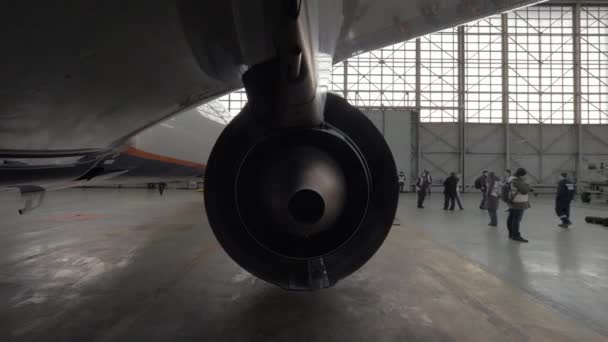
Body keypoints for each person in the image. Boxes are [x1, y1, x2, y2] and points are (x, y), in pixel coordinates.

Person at [505, 168, 531, 242]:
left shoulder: (510, 178)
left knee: (511, 218)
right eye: (524, 175)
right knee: (516, 219)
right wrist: (527, 183)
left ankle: (511, 234)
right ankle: (516, 235)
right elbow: (525, 190)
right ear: (521, 175)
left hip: (513, 201)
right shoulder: (517, 181)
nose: (525, 176)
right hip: (519, 202)